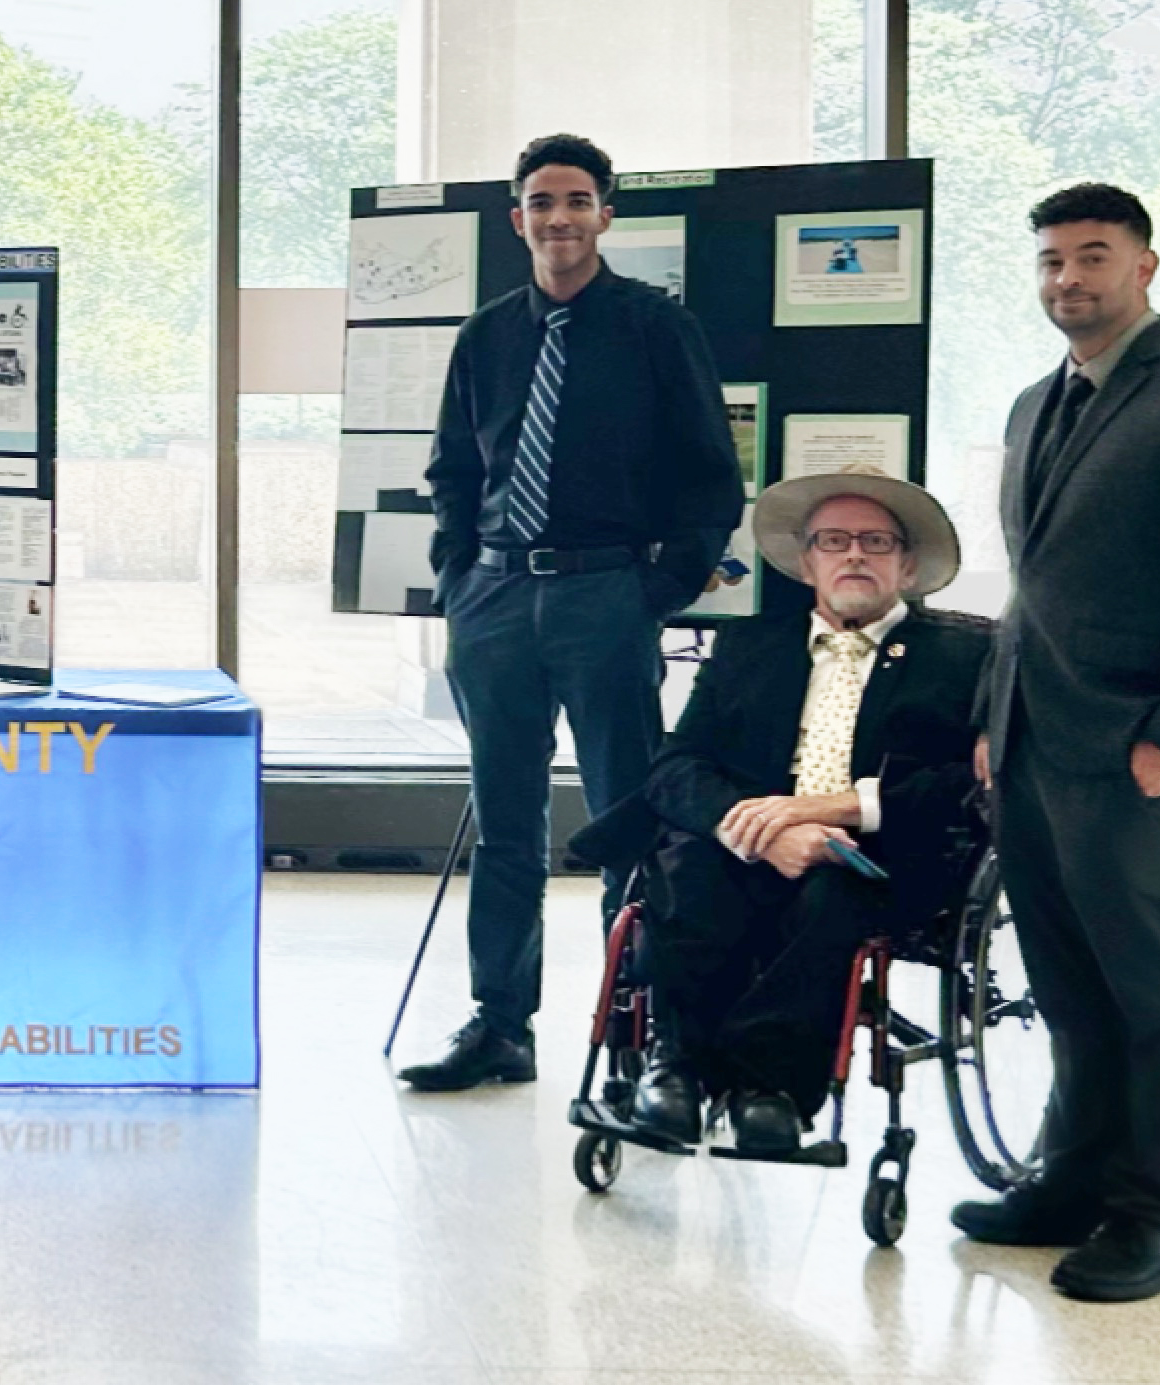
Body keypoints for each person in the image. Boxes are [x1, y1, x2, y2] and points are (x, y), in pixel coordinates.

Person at [952, 183, 1160, 1303]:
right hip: (1034, 739)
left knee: (1149, 986)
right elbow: (1028, 587)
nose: (1067, 280)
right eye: (1050, 261)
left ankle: (1156, 1212)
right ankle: (1073, 1175)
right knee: (1064, 980)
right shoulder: (1031, 404)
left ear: (1143, 267)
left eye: (1092, 257)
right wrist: (994, 718)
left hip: (1132, 745)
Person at [404, 133, 742, 1092]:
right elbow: (455, 472)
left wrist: (655, 590)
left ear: (606, 216)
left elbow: (710, 475)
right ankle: (500, 1024)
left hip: (606, 596)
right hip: (497, 602)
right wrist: (458, 579)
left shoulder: (654, 327)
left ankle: (639, 1030)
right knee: (505, 825)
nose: (559, 217)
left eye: (578, 200)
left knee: (625, 820)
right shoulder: (487, 336)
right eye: (541, 202)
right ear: (518, 219)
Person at [573, 471, 986, 1152]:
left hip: (876, 850)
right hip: (746, 837)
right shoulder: (750, 643)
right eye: (834, 540)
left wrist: (833, 811)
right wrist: (758, 830)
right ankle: (677, 1069)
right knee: (688, 869)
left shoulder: (966, 656)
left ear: (907, 565)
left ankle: (769, 1086)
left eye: (876, 541)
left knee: (834, 894)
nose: (855, 554)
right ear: (806, 561)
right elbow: (677, 766)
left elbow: (963, 785)